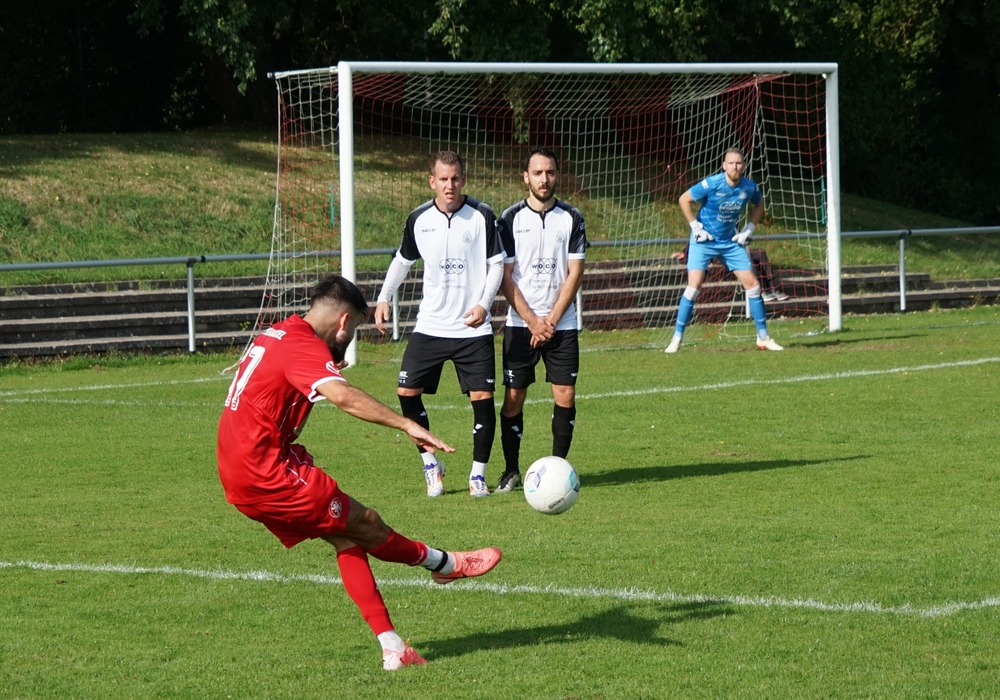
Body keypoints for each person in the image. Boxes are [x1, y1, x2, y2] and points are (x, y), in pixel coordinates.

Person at [217, 274, 502, 671]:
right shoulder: (302, 345)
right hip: (268, 473)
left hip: (238, 469)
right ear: (344, 322)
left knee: (346, 537)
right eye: (353, 332)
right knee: (366, 523)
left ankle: (393, 649)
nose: (348, 340)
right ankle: (445, 565)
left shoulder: (277, 332)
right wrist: (407, 424)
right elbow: (344, 397)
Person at [374, 151, 505, 498]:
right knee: (406, 392)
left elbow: (497, 264)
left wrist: (484, 304)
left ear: (464, 179)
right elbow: (402, 261)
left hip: (472, 327)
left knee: (482, 398)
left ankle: (478, 476)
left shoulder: (482, 214)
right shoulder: (418, 218)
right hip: (430, 325)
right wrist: (384, 297)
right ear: (432, 181)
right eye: (443, 179)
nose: (450, 185)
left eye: (455, 178)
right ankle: (431, 464)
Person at [494, 147, 586, 492]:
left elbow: (575, 272)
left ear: (556, 175)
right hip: (521, 325)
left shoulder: (572, 217)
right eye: (537, 173)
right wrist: (533, 321)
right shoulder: (509, 219)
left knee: (565, 394)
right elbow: (505, 277)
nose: (544, 179)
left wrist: (551, 320)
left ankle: (560, 470)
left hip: (562, 324)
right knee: (514, 396)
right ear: (526, 177)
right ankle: (511, 470)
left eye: (549, 172)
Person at [665, 147, 784, 353]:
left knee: (754, 286)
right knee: (693, 288)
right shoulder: (712, 183)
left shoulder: (749, 187)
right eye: (731, 163)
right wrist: (695, 227)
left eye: (738, 163)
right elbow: (684, 199)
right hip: (704, 241)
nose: (735, 167)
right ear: (724, 165)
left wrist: (749, 228)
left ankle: (763, 337)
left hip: (729, 242)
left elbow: (759, 204)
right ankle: (676, 338)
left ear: (743, 166)